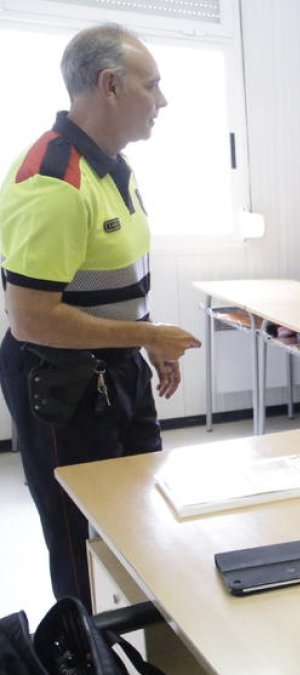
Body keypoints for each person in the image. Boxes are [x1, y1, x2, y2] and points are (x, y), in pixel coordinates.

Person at [0, 24, 201, 609]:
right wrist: (147, 334)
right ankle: (82, 652)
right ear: (110, 85)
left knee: (140, 509)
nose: (161, 100)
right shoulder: (51, 180)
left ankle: (155, 643)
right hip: (62, 384)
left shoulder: (115, 167)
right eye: (152, 85)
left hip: (118, 369)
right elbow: (33, 320)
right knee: (77, 535)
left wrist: (147, 340)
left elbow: (112, 280)